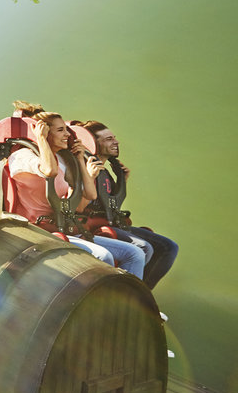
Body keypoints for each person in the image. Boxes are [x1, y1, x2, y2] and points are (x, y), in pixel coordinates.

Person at [8, 102, 146, 278]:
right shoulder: (22, 156)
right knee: (103, 256)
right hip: (38, 229)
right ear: (42, 131)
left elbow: (90, 194)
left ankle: (131, 299)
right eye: (60, 130)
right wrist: (41, 139)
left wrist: (80, 159)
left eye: (66, 129)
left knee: (135, 254)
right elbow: (49, 171)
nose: (67, 134)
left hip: (63, 226)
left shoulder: (62, 159)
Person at [79, 120, 179, 289]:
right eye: (109, 139)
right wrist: (90, 178)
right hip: (88, 227)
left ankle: (142, 294)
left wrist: (121, 183)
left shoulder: (106, 173)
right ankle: (131, 296)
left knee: (168, 247)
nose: (116, 142)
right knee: (144, 247)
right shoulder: (84, 169)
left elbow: (110, 208)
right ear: (93, 143)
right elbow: (79, 204)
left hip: (107, 222)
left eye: (114, 137)